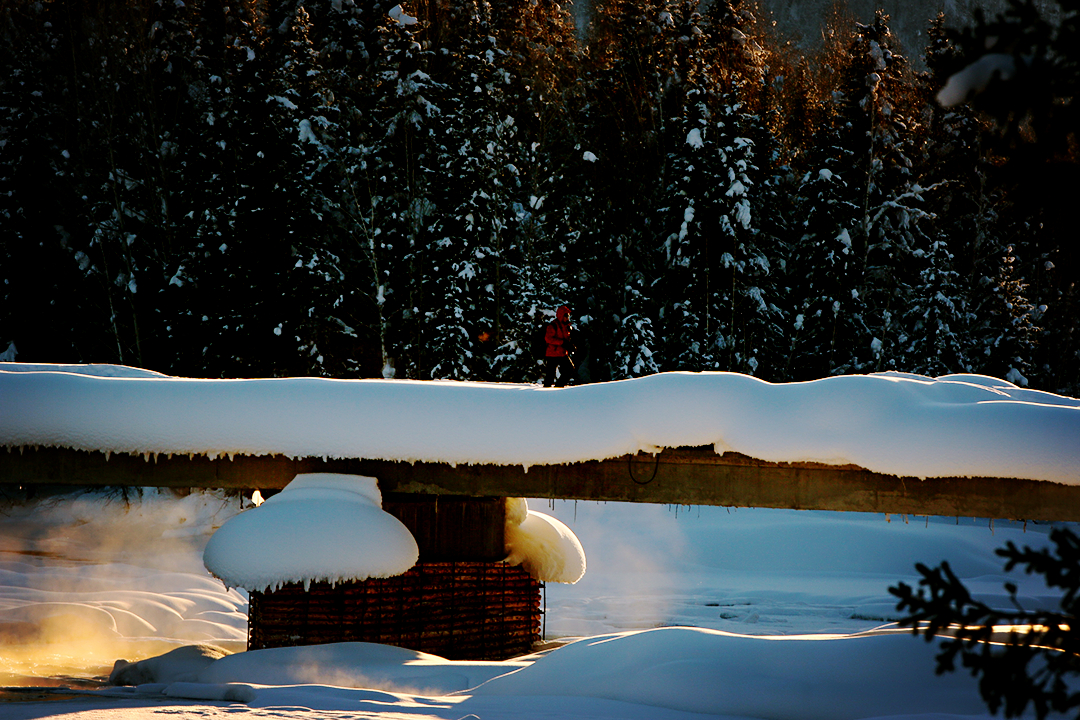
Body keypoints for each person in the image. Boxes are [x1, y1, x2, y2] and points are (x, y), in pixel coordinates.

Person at [543, 305, 576, 387]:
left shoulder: (567, 326)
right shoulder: (553, 326)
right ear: (561, 315)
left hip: (562, 353)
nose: (567, 318)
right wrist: (562, 343)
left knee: (570, 369)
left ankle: (559, 387)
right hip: (552, 354)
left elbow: (566, 340)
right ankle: (545, 393)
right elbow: (548, 339)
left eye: (568, 316)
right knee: (550, 377)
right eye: (566, 316)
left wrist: (570, 346)